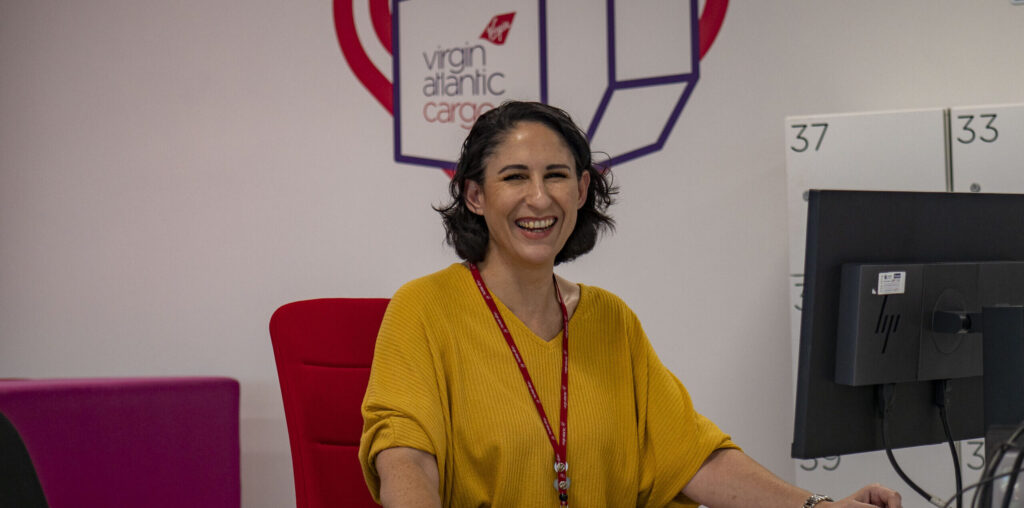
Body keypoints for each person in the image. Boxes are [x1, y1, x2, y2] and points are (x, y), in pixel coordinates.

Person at [358, 101, 902, 508]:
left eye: (557, 176)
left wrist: (817, 507)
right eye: (514, 177)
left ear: (581, 189)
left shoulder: (610, 320)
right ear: (475, 196)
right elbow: (405, 457)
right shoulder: (424, 308)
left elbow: (690, 454)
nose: (540, 198)